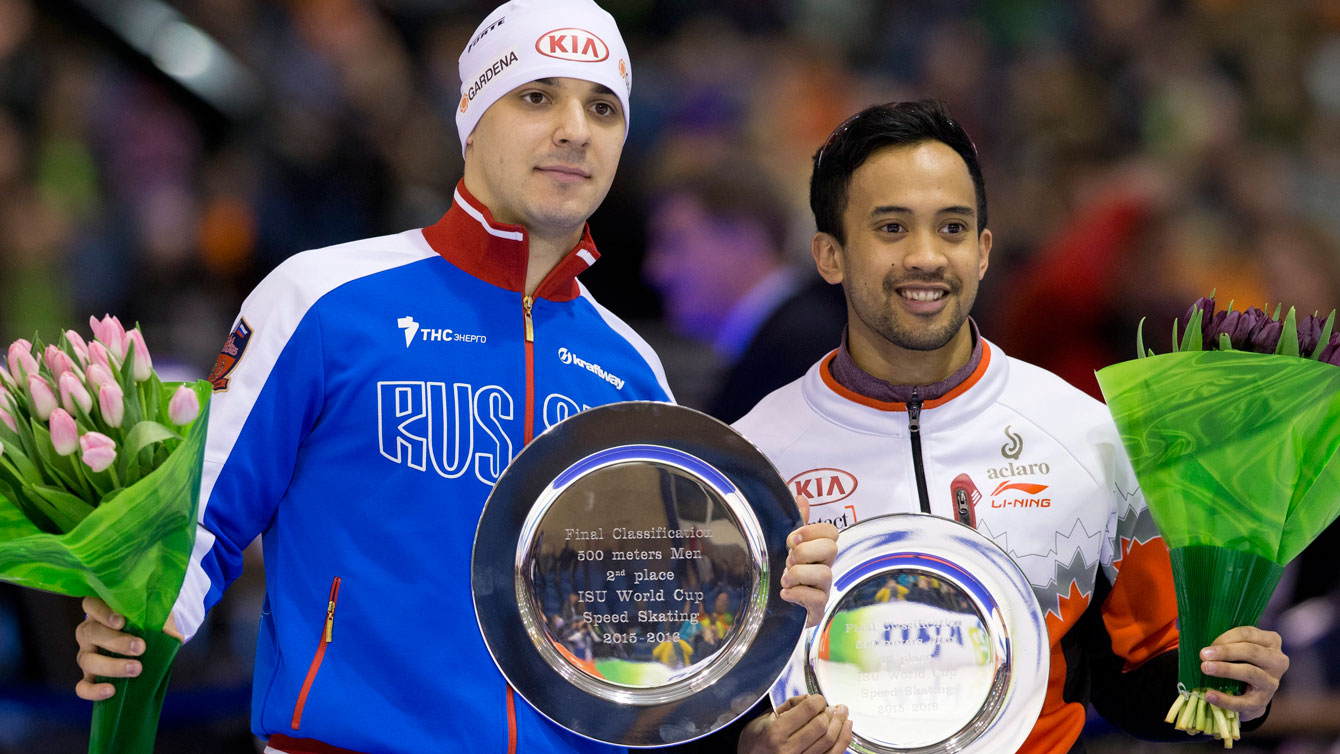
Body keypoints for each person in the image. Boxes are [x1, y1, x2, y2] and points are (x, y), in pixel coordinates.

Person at [70, 2, 839, 752]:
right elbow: (199, 521)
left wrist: (761, 590)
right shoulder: (325, 300)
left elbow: (650, 638)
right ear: (471, 110)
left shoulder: (629, 367)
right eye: (538, 97)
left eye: (604, 109)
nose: (575, 129)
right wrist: (129, 615)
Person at [732, 100, 1290, 753]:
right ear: (829, 255)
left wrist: (1230, 687)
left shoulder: (1087, 436)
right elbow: (694, 704)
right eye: (891, 227)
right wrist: (752, 747)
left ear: (984, 250)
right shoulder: (751, 459)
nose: (927, 257)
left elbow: (1137, 680)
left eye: (953, 228)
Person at [643, 168, 846, 423]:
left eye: (674, 242)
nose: (655, 270)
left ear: (744, 240)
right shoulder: (783, 341)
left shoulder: (802, 350)